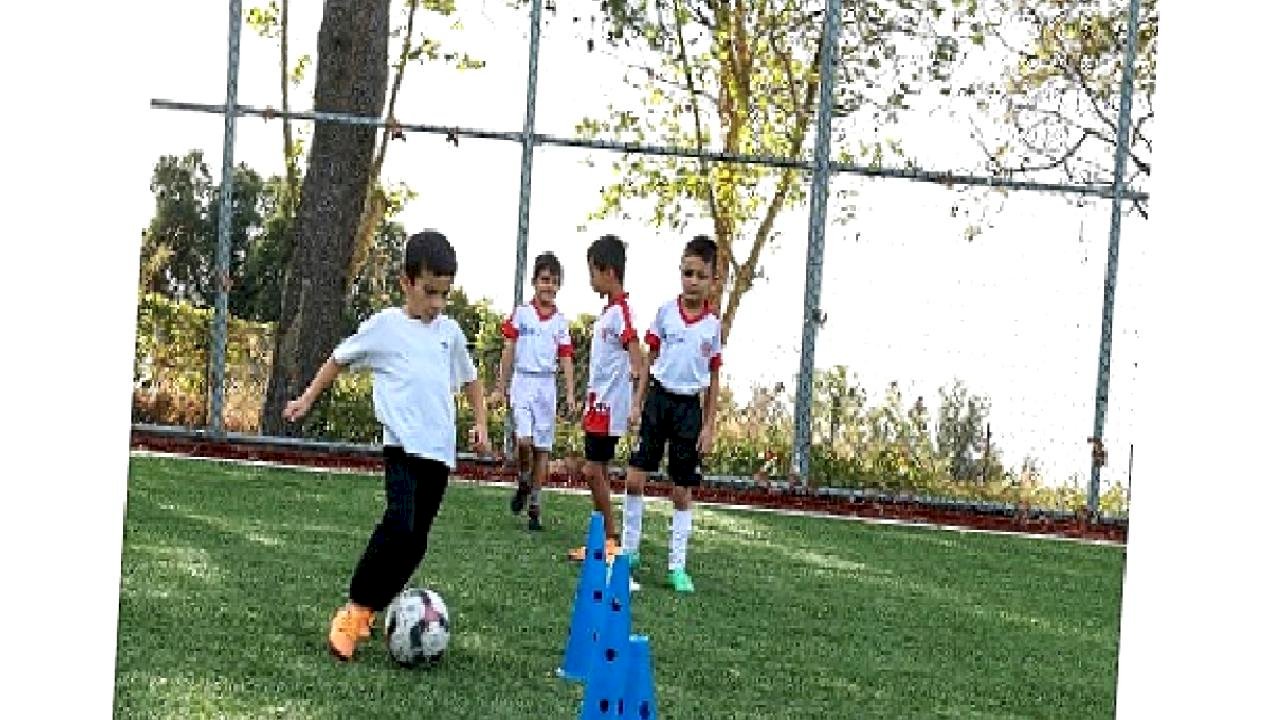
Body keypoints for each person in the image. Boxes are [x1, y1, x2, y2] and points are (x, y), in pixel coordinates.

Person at [282, 229, 490, 661]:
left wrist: (481, 426)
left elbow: (471, 381)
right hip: (402, 450)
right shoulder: (385, 327)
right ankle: (354, 610)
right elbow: (339, 358)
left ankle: (373, 609)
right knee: (398, 524)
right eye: (429, 292)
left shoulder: (450, 333)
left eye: (444, 294)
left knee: (416, 542)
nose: (437, 303)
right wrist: (306, 398)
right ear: (406, 283)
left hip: (439, 455)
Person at [621, 235, 723, 594]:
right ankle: (629, 552)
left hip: (688, 410)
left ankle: (677, 567)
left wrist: (708, 426)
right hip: (659, 401)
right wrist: (637, 402)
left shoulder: (713, 326)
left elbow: (713, 379)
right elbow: (648, 361)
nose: (692, 281)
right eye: (687, 273)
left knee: (681, 491)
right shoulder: (665, 313)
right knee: (634, 480)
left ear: (713, 280)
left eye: (700, 275)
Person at [566, 235, 646, 570]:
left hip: (609, 408)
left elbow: (638, 361)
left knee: (592, 469)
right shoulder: (610, 312)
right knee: (594, 470)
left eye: (592, 272)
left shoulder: (622, 313)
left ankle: (609, 540)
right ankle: (605, 540)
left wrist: (636, 404)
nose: (590, 280)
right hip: (597, 404)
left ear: (608, 272)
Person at [493, 251, 578, 531]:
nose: (548, 286)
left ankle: (535, 505)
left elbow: (566, 357)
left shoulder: (560, 322)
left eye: (553, 281)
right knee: (524, 441)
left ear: (559, 286)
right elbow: (508, 350)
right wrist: (500, 387)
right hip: (523, 382)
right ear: (534, 282)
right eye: (544, 280)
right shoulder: (522, 314)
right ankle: (523, 480)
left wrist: (570, 393)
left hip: (546, 386)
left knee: (542, 448)